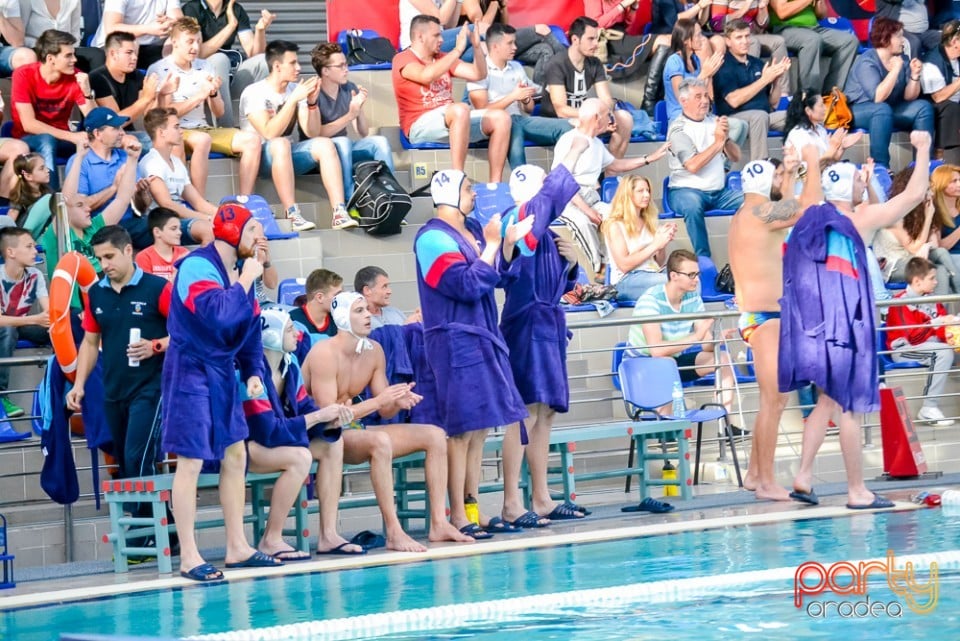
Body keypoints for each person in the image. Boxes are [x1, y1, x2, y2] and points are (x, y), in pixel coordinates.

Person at [785, 130, 931, 510]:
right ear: (851, 187)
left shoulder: (809, 215)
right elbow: (913, 196)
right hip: (845, 322)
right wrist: (923, 148)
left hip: (811, 326)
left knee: (827, 402)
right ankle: (856, 491)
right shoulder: (860, 217)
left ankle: (803, 474)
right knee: (848, 405)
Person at [161, 202, 283, 581]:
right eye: (251, 231)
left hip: (222, 372)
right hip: (189, 370)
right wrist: (247, 278)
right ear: (231, 234)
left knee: (235, 453)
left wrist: (252, 371)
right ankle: (190, 557)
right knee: (191, 461)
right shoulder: (197, 266)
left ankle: (237, 547)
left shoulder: (237, 272)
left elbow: (247, 327)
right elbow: (216, 314)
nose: (258, 238)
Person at [413, 168, 537, 536]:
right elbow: (465, 285)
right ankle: (457, 515)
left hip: (481, 335)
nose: (475, 194)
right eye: (468, 188)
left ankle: (472, 506)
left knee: (480, 429)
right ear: (448, 194)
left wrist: (508, 246)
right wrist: (494, 245)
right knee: (461, 431)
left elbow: (496, 276)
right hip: (454, 340)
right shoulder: (432, 238)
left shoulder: (469, 231)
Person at [305, 292, 474, 550]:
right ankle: (394, 531)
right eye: (359, 311)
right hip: (321, 435)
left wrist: (397, 400)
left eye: (366, 310)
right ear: (341, 317)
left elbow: (383, 410)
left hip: (354, 428)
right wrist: (379, 401)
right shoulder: (324, 354)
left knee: (435, 435)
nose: (367, 316)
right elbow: (329, 418)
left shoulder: (374, 351)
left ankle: (439, 522)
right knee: (380, 440)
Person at [499, 144, 593, 522]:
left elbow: (559, 281)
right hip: (526, 325)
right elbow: (508, 271)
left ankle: (541, 496)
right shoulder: (517, 222)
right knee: (523, 415)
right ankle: (511, 501)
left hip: (549, 326)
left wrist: (571, 265)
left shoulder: (550, 233)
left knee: (545, 414)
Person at [66, 225, 173, 546]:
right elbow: (89, 341)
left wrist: (156, 345)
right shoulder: (97, 292)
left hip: (150, 388)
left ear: (129, 251)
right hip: (114, 391)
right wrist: (80, 385)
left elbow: (185, 333)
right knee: (126, 461)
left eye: (109, 256)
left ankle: (140, 536)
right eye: (99, 259)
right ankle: (168, 531)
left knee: (137, 456)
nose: (104, 264)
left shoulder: (158, 289)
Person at [728, 144, 821, 501]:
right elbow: (807, 206)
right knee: (774, 400)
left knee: (774, 401)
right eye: (778, 177)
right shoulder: (760, 213)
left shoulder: (746, 213)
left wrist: (791, 174)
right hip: (765, 318)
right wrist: (811, 164)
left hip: (763, 316)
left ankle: (754, 474)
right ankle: (766, 482)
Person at [242, 307, 348, 560]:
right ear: (269, 336)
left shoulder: (290, 366)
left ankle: (328, 534)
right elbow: (265, 431)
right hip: (244, 446)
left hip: (276, 442)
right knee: (300, 457)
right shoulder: (248, 376)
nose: (298, 335)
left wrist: (331, 420)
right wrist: (316, 417)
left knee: (333, 445)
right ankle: (271, 538)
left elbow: (306, 407)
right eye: (290, 329)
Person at [146, 16, 263, 197]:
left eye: (198, 41)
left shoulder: (205, 66)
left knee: (252, 140)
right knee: (202, 140)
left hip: (204, 128)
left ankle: (245, 199)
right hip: (177, 129)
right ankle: (197, 200)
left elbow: (219, 111)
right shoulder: (160, 69)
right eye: (190, 42)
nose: (195, 47)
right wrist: (199, 95)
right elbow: (165, 113)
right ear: (175, 43)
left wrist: (213, 93)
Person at [553, 98, 669, 277]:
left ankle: (626, 264)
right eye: (608, 116)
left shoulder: (597, 144)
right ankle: (599, 270)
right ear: (596, 118)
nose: (611, 120)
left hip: (592, 197)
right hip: (567, 200)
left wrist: (648, 159)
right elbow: (562, 181)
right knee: (583, 222)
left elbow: (614, 165)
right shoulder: (569, 140)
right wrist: (587, 211)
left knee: (617, 217)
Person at [240, 39, 346, 232]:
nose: (298, 68)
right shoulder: (254, 92)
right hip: (262, 157)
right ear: (277, 66)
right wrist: (293, 101)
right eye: (293, 63)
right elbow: (269, 132)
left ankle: (339, 211)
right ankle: (292, 212)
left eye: (298, 62)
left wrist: (312, 103)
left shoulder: (294, 90)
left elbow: (311, 132)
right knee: (280, 144)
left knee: (324, 144)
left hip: (289, 155)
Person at [392, 16, 511, 183]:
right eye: (436, 35)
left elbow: (478, 74)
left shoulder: (442, 57)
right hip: (419, 126)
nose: (441, 40)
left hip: (454, 121)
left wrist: (476, 47)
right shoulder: (403, 58)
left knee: (501, 118)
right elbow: (427, 75)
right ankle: (458, 179)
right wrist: (457, 50)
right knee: (460, 109)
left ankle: (495, 185)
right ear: (420, 36)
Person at [626, 248, 740, 421]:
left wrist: (717, 340)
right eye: (691, 275)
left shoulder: (693, 297)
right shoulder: (650, 300)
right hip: (641, 365)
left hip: (672, 360)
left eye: (697, 274)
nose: (697, 280)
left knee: (722, 358)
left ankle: (725, 422)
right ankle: (666, 432)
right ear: (673, 276)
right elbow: (656, 351)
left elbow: (706, 345)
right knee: (666, 363)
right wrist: (695, 337)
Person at [38, 139, 139, 298]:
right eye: (80, 205)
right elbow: (65, 200)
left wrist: (132, 160)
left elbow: (122, 199)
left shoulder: (95, 227)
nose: (88, 208)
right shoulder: (58, 234)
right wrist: (79, 157)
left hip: (100, 304)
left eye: (86, 204)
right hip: (72, 311)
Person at [466, 22, 573, 171]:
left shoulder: (516, 67)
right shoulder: (479, 70)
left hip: (520, 119)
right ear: (495, 46)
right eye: (510, 43)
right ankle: (521, 178)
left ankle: (563, 174)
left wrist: (525, 98)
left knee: (571, 126)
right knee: (512, 125)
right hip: (494, 125)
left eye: (514, 43)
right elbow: (481, 109)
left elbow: (528, 109)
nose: (515, 47)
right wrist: (513, 96)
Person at [844, 17, 936, 169]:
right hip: (859, 111)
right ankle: (881, 168)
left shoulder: (902, 59)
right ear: (886, 38)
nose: (903, 41)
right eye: (899, 36)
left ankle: (923, 165)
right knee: (881, 109)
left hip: (888, 109)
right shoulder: (867, 61)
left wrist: (915, 75)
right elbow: (878, 97)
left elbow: (909, 97)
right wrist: (894, 70)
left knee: (923, 107)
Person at [666, 78, 743, 258]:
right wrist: (718, 142)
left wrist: (726, 139)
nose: (705, 100)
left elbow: (736, 156)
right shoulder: (678, 129)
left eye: (706, 96)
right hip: (685, 191)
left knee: (756, 199)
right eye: (698, 97)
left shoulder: (714, 122)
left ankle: (752, 253)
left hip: (719, 193)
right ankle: (703, 260)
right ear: (683, 101)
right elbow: (692, 165)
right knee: (692, 207)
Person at [312, 42, 395, 205]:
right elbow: (318, 134)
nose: (346, 69)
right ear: (326, 71)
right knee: (343, 142)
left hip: (345, 149)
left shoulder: (348, 88)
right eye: (340, 66)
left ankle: (389, 195)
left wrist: (359, 108)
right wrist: (350, 115)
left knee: (380, 142)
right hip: (321, 154)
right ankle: (350, 198)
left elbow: (363, 132)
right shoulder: (315, 92)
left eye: (346, 64)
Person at [11, 29, 94, 190]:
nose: (75, 60)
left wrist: (87, 93)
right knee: (46, 141)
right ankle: (52, 204)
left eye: (74, 54)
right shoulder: (23, 75)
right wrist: (72, 136)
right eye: (68, 55)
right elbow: (29, 124)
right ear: (51, 59)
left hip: (62, 138)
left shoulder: (76, 77)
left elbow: (94, 120)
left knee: (97, 141)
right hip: (28, 140)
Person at [540, 16, 633, 159]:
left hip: (586, 118)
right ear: (575, 40)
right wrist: (595, 118)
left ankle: (611, 174)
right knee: (583, 129)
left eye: (596, 38)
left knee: (624, 119)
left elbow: (606, 100)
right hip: (558, 121)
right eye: (591, 39)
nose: (596, 44)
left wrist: (606, 117)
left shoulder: (594, 63)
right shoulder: (557, 64)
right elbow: (561, 110)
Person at [63, 106, 155, 250]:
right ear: (97, 133)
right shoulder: (80, 161)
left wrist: (142, 193)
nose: (122, 133)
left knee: (162, 224)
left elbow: (140, 208)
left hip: (129, 223)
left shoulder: (126, 156)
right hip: (97, 227)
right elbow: (78, 207)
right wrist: (113, 188)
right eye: (116, 128)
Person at [886, 256, 958, 426]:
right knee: (944, 353)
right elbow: (913, 337)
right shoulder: (901, 302)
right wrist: (937, 323)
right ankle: (928, 408)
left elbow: (940, 331)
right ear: (917, 281)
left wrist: (952, 326)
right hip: (905, 349)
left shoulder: (931, 300)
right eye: (932, 278)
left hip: (927, 346)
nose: (936, 282)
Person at [182, 0, 275, 128]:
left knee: (264, 61)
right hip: (202, 79)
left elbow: (255, 54)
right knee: (219, 59)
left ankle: (261, 127)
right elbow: (198, 53)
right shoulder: (192, 9)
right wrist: (231, 26)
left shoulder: (236, 9)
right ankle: (226, 129)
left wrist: (260, 31)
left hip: (228, 77)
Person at [713, 20, 790, 160]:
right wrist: (764, 80)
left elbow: (773, 104)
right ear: (728, 41)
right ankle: (760, 169)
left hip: (765, 117)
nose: (745, 41)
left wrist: (776, 80)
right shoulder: (724, 66)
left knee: (800, 116)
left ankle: (803, 168)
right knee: (759, 116)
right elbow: (733, 100)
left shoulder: (757, 63)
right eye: (739, 37)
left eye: (747, 36)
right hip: (735, 118)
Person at [138, 107, 216, 244]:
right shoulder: (152, 163)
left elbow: (198, 202)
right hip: (160, 223)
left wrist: (223, 214)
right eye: (176, 127)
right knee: (208, 229)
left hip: (178, 220)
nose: (181, 131)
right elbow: (167, 205)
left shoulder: (176, 163)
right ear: (161, 132)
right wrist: (208, 218)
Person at [874, 168, 957, 294]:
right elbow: (914, 248)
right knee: (940, 260)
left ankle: (940, 311)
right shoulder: (895, 215)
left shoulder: (921, 212)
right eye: (927, 190)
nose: (931, 194)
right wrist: (929, 217)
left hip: (913, 259)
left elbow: (934, 245)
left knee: (940, 266)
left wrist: (928, 243)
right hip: (893, 266)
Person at [89, 31, 173, 150]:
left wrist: (161, 95)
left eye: (136, 53)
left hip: (130, 134)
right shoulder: (97, 78)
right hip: (105, 136)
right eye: (129, 53)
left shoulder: (136, 76)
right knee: (152, 144)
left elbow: (149, 116)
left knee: (170, 139)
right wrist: (145, 99)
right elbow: (115, 122)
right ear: (113, 54)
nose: (135, 58)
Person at [601, 175, 676, 303]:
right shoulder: (614, 225)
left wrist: (662, 242)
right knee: (677, 284)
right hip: (626, 280)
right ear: (628, 194)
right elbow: (624, 265)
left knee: (691, 279)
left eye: (648, 191)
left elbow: (658, 263)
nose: (646, 195)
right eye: (641, 191)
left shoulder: (649, 221)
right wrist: (655, 245)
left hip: (652, 273)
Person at [0, 228, 49, 418]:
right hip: (7, 328)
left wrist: (51, 321)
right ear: (10, 252)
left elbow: (49, 310)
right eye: (28, 246)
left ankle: (56, 389)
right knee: (8, 330)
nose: (35, 250)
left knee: (61, 329)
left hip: (20, 325)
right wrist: (35, 319)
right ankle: (1, 395)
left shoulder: (35, 275)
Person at [460, 0, 565, 85]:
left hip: (502, 46)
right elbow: (483, 27)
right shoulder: (471, 2)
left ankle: (539, 92)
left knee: (545, 49)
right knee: (541, 30)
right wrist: (494, 3)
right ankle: (569, 65)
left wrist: (503, 7)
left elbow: (505, 27)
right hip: (478, 47)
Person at [769, 0, 858, 94]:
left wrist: (819, 3)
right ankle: (808, 97)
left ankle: (831, 96)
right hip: (785, 29)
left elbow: (822, 15)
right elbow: (782, 12)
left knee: (849, 41)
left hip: (814, 29)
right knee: (812, 40)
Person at [662, 19, 725, 123]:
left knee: (739, 125)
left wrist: (709, 76)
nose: (703, 39)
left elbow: (703, 92)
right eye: (698, 35)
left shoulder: (696, 60)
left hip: (700, 115)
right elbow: (682, 96)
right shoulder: (674, 61)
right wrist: (704, 73)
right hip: (681, 117)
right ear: (685, 40)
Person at [93, 0, 183, 69]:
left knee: (186, 42)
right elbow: (112, 29)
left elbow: (179, 22)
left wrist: (170, 23)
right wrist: (147, 29)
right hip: (116, 44)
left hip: (152, 47)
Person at [20, 0, 102, 71]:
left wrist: (67, 51)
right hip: (38, 48)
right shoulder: (27, 1)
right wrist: (46, 46)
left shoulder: (73, 1)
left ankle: (92, 88)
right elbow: (20, 35)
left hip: (66, 48)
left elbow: (75, 35)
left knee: (97, 54)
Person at [783, 88, 862, 161]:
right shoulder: (798, 135)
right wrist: (833, 147)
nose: (825, 108)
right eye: (821, 105)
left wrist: (841, 148)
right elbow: (811, 170)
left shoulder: (820, 129)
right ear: (808, 110)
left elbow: (829, 162)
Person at [921, 21, 960, 165]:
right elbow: (938, 97)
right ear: (955, 41)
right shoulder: (932, 62)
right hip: (935, 106)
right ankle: (941, 160)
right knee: (950, 108)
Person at [709, 0, 788, 60]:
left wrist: (762, 7)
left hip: (751, 34)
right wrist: (744, 9)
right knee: (752, 41)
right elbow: (716, 24)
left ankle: (782, 81)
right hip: (728, 36)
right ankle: (751, 79)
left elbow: (762, 26)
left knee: (778, 42)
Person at [399, 0, 471, 60]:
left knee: (477, 49)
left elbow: (449, 26)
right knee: (477, 29)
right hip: (418, 44)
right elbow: (440, 19)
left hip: (439, 41)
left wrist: (459, 1)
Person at [354, 266, 421, 330]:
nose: (389, 291)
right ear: (367, 290)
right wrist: (407, 327)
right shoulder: (359, 321)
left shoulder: (395, 312)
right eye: (384, 286)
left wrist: (417, 321)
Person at [289, 268, 342, 346]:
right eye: (337, 295)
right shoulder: (291, 320)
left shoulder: (339, 319)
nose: (341, 299)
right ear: (320, 297)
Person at [135, 207, 190, 281]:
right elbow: (149, 289)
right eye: (173, 229)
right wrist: (175, 274)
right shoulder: (144, 257)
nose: (179, 232)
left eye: (180, 228)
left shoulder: (184, 253)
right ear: (157, 232)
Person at [876, 0, 941, 58]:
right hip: (897, 31)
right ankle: (910, 70)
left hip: (923, 32)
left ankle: (938, 68)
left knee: (944, 39)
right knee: (914, 43)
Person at [6, 153, 50, 225]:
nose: (47, 170)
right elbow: (9, 223)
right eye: (41, 168)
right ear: (28, 176)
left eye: (45, 167)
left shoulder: (47, 191)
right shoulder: (20, 196)